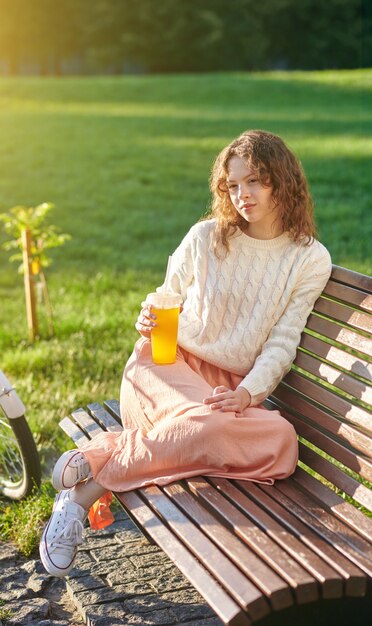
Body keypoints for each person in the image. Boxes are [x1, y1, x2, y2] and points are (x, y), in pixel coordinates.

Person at [40, 129, 332, 577]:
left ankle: (100, 461)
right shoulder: (204, 238)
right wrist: (147, 318)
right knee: (211, 428)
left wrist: (249, 395)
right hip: (163, 367)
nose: (242, 195)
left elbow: (284, 340)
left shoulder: (308, 259)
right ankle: (83, 498)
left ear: (282, 180)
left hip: (227, 393)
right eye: (232, 185)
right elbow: (165, 297)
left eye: (254, 181)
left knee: (282, 443)